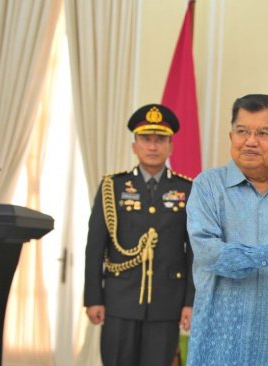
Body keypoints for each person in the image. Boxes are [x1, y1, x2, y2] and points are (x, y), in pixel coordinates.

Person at [185, 94, 268, 365]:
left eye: (264, 133)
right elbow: (209, 254)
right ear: (231, 135)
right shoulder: (208, 187)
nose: (250, 141)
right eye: (242, 131)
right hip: (216, 348)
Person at [84, 104, 194, 366]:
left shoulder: (187, 189)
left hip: (167, 303)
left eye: (161, 139)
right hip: (119, 300)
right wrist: (93, 298)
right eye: (146, 139)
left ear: (171, 146)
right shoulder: (113, 186)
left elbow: (193, 253)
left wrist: (190, 302)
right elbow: (95, 246)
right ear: (135, 145)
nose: (153, 146)